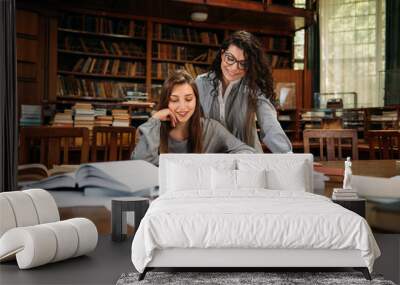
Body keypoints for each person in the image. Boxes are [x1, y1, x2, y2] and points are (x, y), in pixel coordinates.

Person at [132, 69, 256, 166]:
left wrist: (217, 163)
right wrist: (155, 118)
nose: (182, 107)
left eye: (188, 99)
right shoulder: (153, 128)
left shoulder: (210, 128)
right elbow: (140, 165)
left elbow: (248, 152)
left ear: (196, 100)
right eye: (174, 100)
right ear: (166, 102)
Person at [195, 30, 292, 153]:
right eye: (230, 58)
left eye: (243, 63)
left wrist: (288, 156)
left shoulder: (254, 87)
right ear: (222, 54)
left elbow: (270, 126)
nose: (234, 68)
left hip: (248, 160)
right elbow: (191, 123)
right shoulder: (201, 83)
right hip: (212, 161)